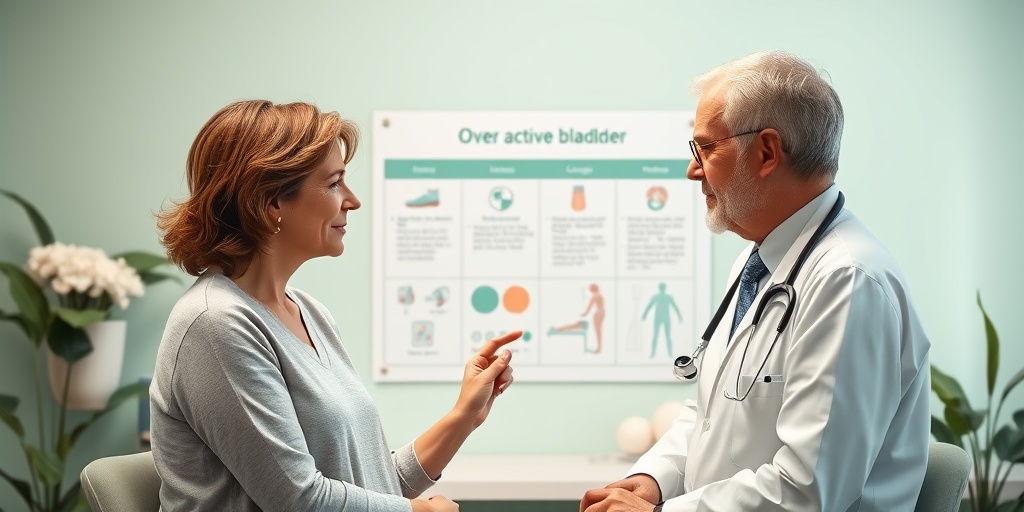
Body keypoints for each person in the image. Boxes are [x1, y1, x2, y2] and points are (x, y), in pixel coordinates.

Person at [581, 51, 931, 511]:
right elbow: (710, 415)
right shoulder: (761, 262)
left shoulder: (847, 280)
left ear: (766, 152)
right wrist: (652, 481)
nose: (692, 169)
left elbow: (809, 489)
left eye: (706, 149)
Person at [151, 99, 519, 511]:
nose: (353, 200)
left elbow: (372, 485)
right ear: (271, 202)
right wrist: (421, 511)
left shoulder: (310, 313)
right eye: (334, 184)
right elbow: (299, 501)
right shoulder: (215, 323)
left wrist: (464, 416)